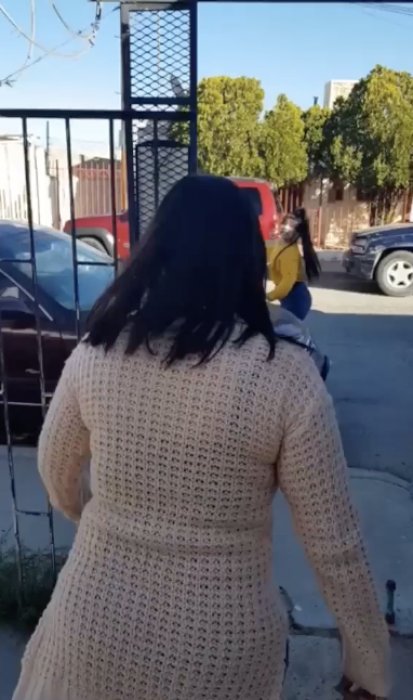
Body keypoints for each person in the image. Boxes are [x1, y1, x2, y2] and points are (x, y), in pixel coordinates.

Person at [13, 175, 389, 700]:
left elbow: (55, 470)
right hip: (219, 651)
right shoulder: (284, 377)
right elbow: (335, 544)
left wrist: (109, 520)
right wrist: (369, 662)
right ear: (248, 259)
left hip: (93, 623)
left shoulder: (98, 353)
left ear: (154, 254)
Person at [267, 208, 321, 320]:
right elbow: (268, 251)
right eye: (286, 224)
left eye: (291, 227)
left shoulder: (289, 253)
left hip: (295, 300)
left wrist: (269, 296)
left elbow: (287, 282)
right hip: (290, 297)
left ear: (297, 234)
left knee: (286, 328)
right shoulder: (281, 245)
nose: (285, 229)